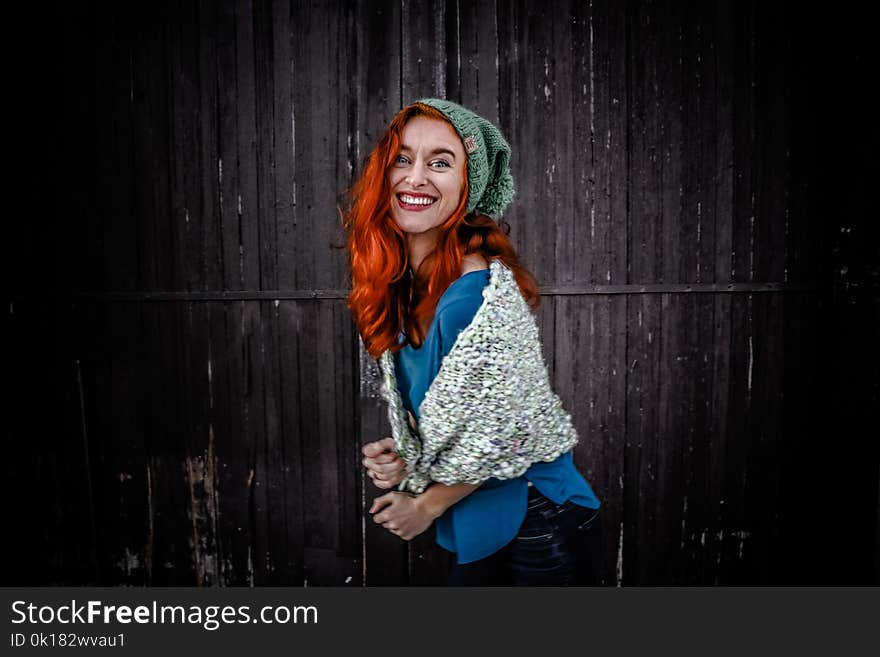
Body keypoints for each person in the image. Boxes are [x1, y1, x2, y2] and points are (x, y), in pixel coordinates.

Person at [344, 98, 602, 586]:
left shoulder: (473, 297)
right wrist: (408, 453)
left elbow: (501, 433)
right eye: (403, 158)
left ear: (468, 185)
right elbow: (462, 418)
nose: (415, 177)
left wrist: (423, 506)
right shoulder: (406, 284)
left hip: (537, 518)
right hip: (483, 514)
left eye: (440, 162)